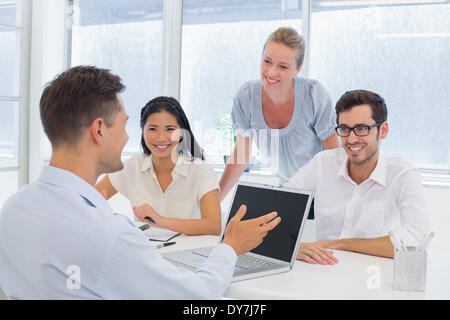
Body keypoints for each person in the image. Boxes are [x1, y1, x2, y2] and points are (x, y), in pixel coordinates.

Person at [0, 66, 281, 299]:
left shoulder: (12, 210)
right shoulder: (113, 237)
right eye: (123, 125)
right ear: (99, 130)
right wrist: (230, 246)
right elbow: (198, 296)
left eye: (169, 129)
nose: (126, 138)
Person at [286, 90, 431, 265]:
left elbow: (417, 240)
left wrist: (341, 244)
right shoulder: (322, 163)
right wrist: (293, 246)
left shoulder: (403, 174)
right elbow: (277, 210)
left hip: (373, 277)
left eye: (362, 129)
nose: (351, 139)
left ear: (383, 130)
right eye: (345, 129)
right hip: (322, 273)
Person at [219, 27, 339, 201]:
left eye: (283, 66)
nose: (272, 72)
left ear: (297, 69)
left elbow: (333, 156)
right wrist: (215, 202)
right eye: (267, 61)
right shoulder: (246, 97)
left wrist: (337, 202)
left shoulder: (314, 95)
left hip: (322, 191)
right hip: (286, 190)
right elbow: (241, 156)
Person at [96, 96, 221, 236]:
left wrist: (160, 220)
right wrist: (117, 221)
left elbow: (213, 226)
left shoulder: (201, 170)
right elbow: (86, 199)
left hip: (188, 255)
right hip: (144, 253)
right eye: (153, 129)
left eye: (170, 129)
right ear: (142, 131)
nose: (161, 138)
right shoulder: (133, 166)